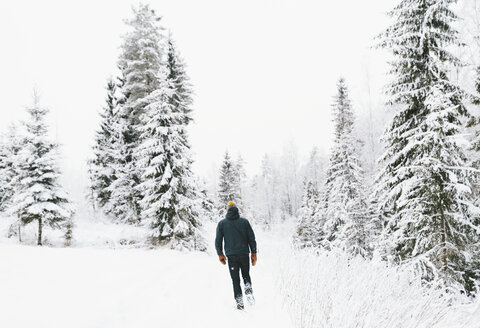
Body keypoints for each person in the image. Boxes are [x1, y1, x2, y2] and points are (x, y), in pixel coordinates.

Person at [215, 201, 257, 310]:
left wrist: (220, 254)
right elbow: (251, 239)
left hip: (231, 256)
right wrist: (254, 253)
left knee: (235, 280)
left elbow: (218, 241)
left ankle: (240, 303)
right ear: (237, 211)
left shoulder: (222, 224)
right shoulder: (244, 222)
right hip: (244, 254)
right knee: (246, 275)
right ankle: (249, 294)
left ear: (228, 211)